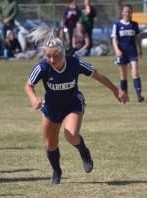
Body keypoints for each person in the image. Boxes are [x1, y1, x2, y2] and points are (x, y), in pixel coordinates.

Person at [24, 26, 128, 185]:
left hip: (73, 104)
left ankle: (84, 151)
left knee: (71, 135)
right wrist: (33, 98)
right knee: (50, 144)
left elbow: (98, 75)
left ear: (63, 53)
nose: (52, 60)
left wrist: (116, 90)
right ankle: (57, 171)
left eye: (56, 56)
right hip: (52, 107)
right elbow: (28, 85)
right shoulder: (42, 67)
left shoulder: (75, 63)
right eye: (48, 57)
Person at [112, 4, 144, 102]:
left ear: (131, 13)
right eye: (125, 11)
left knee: (135, 72)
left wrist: (140, 49)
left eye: (129, 12)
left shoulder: (134, 24)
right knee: (123, 75)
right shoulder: (117, 25)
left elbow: (137, 37)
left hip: (132, 52)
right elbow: (114, 39)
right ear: (122, 12)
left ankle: (139, 95)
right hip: (122, 53)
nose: (127, 13)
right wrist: (117, 50)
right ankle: (125, 95)